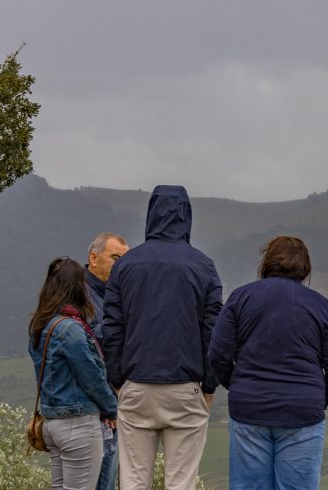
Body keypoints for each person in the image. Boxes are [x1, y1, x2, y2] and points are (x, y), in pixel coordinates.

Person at [101, 185, 222, 490]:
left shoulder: (125, 266)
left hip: (136, 385)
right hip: (185, 387)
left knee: (133, 481)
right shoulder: (204, 267)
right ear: (187, 216)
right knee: (180, 483)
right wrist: (209, 384)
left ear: (151, 215)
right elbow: (213, 331)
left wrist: (117, 378)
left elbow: (112, 328)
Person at [209, 236, 328, 490]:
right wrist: (320, 396)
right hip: (302, 411)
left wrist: (239, 384)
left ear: (267, 263)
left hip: (249, 409)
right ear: (305, 268)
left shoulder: (240, 298)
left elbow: (217, 353)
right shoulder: (321, 305)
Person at [28, 257, 118, 490]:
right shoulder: (71, 329)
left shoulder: (41, 325)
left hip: (52, 423)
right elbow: (92, 376)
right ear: (78, 286)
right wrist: (111, 408)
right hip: (78, 425)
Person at [84, 232, 129, 490]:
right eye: (115, 257)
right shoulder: (81, 293)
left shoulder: (113, 293)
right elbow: (90, 343)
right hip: (98, 407)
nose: (120, 265)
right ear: (94, 257)